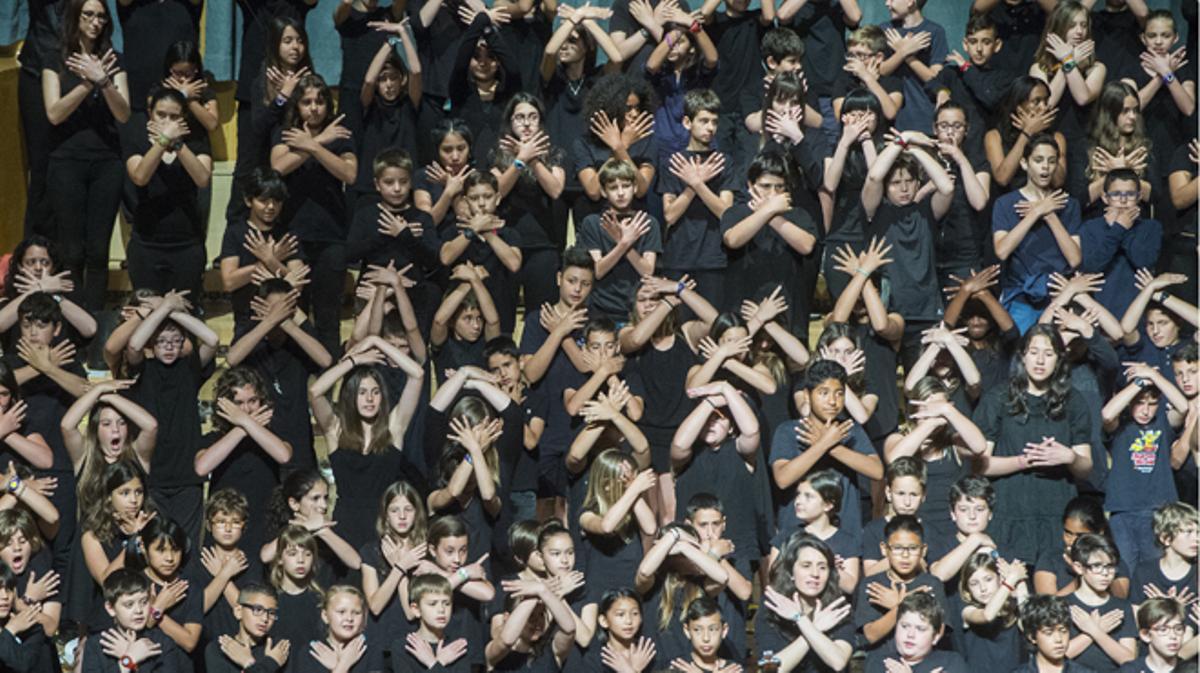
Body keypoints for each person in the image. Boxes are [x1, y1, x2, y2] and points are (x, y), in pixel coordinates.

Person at [41, 0, 131, 312]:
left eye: (101, 16)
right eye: (89, 15)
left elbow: (123, 114)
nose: (95, 21)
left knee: (97, 249)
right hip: (66, 161)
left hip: (107, 162)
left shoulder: (114, 60)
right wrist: (86, 83)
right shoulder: (55, 58)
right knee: (71, 250)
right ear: (76, 17)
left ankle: (94, 320)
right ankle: (71, 319)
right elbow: (54, 113)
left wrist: (104, 81)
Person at [270, 73, 358, 357]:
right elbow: (278, 168)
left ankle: (327, 384)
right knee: (295, 313)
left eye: (320, 101)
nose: (314, 107)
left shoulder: (340, 133)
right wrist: (316, 142)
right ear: (296, 105)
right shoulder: (285, 133)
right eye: (306, 101)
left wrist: (314, 145)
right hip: (293, 237)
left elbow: (349, 173)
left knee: (328, 316)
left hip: (331, 236)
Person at [309, 337, 425, 552]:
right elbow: (315, 392)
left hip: (383, 528)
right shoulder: (336, 430)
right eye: (362, 393)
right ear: (351, 396)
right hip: (345, 528)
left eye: (375, 392)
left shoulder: (393, 428)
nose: (369, 399)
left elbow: (417, 374)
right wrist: (354, 360)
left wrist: (376, 341)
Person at [124, 289, 218, 543]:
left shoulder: (189, 369)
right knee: (153, 543)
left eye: (175, 341)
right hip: (152, 475)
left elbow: (212, 339)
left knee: (185, 545)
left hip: (187, 475)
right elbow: (133, 345)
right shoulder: (143, 369)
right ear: (152, 343)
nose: (169, 347)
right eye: (162, 341)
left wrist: (173, 310)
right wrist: (163, 308)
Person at [122, 86, 213, 300]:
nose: (167, 121)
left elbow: (202, 179)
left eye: (174, 117)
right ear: (150, 113)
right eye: (161, 115)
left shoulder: (196, 142)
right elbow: (140, 176)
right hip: (146, 245)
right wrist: (162, 142)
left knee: (184, 312)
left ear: (184, 118)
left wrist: (178, 144)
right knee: (146, 312)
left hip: (187, 245)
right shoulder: (137, 141)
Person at [194, 367, 294, 553]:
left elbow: (284, 455)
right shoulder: (214, 438)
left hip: (264, 524)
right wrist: (243, 426)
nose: (246, 410)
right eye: (238, 403)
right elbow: (201, 467)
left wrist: (245, 422)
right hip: (227, 527)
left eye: (253, 401)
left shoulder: (272, 434)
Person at [1100, 360, 1187, 569]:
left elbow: (1183, 407)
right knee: (1125, 571)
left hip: (1158, 510)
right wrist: (1138, 382)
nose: (1145, 410)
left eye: (1152, 403)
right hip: (1123, 510)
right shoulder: (1120, 426)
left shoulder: (1163, 423)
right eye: (1139, 402)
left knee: (1154, 568)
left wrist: (1153, 375)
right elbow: (1107, 414)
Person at [991, 135, 1082, 333]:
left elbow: (1074, 259)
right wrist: (1035, 212)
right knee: (1022, 355)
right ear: (1025, 163)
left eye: (1051, 161)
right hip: (1020, 298)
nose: (1045, 167)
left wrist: (1050, 215)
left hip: (1058, 296)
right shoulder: (1005, 204)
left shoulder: (1069, 205)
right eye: (1038, 160)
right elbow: (1002, 251)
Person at [659, 89, 736, 310]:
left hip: (713, 258)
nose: (710, 127)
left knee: (711, 323)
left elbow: (725, 212)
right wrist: (693, 185)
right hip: (678, 256)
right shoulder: (673, 162)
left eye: (714, 122)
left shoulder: (724, 162)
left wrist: (697, 184)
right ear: (687, 122)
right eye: (703, 121)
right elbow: (670, 215)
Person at [576, 159, 661, 321]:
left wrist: (623, 242)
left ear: (635, 187)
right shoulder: (593, 222)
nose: (621, 193)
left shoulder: (648, 222)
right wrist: (623, 242)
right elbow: (598, 271)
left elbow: (647, 271)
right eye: (613, 188)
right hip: (602, 305)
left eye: (626, 186)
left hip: (639, 306)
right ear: (603, 191)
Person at [854, 515, 950, 649]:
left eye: (912, 548)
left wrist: (900, 604)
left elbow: (938, 632)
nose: (905, 555)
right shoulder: (872, 585)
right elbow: (870, 635)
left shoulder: (932, 584)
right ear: (884, 549)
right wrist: (900, 606)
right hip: (881, 659)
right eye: (898, 548)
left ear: (923, 550)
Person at [1079, 169, 1162, 317]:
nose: (1123, 200)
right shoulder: (1090, 227)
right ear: (1105, 197)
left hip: (1137, 310)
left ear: (1139, 197)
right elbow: (1091, 267)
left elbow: (1144, 262)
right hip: (1099, 309)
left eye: (1130, 194)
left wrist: (1120, 229)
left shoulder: (1151, 227)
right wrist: (1117, 230)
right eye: (1116, 194)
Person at [82, 568, 188, 673]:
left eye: (144, 602)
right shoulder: (96, 645)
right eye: (129, 604)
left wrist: (134, 662)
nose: (139, 610)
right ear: (111, 608)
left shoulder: (162, 643)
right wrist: (128, 659)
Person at [1065, 534, 1137, 671]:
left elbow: (1129, 660)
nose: (1106, 573)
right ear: (1079, 568)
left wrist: (1095, 631)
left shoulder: (1122, 607)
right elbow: (1058, 655)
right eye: (1097, 566)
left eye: (1110, 566)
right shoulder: (1063, 605)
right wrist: (1093, 632)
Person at [130, 516, 202, 654]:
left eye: (175, 550)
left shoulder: (189, 586)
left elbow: (190, 642)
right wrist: (158, 607)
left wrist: (157, 612)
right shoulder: (133, 583)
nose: (169, 558)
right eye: (161, 550)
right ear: (144, 548)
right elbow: (132, 633)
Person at [877, 0, 947, 133]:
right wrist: (903, 52)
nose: (887, 3)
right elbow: (879, 71)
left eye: (892, 0)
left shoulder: (934, 31)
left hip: (923, 115)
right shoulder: (885, 30)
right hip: (892, 118)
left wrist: (908, 56)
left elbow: (936, 78)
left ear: (910, 2)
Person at [955, 552, 1030, 671]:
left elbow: (1030, 630)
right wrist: (1011, 580)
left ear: (1000, 579)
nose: (983, 588)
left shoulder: (1012, 605)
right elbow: (987, 615)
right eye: (974, 584)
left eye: (988, 579)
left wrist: (1020, 583)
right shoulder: (966, 609)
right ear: (967, 589)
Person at [486, 574, 577, 670]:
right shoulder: (494, 653)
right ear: (507, 618)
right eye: (530, 616)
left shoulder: (552, 650)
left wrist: (542, 590)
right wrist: (534, 595)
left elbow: (569, 629)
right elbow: (506, 641)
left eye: (541, 614)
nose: (537, 621)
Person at [864, 591, 968, 673]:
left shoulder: (951, 662)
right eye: (905, 626)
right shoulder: (878, 663)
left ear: (935, 636)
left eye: (920, 629)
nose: (910, 634)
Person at [389, 574, 470, 673]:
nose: (441, 609)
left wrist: (432, 663)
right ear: (416, 609)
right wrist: (439, 663)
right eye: (432, 604)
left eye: (447, 603)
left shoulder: (457, 648)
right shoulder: (402, 648)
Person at [203, 583, 292, 673]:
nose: (265, 618)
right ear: (238, 611)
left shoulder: (279, 649)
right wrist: (269, 663)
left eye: (271, 612)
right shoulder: (220, 649)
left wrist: (249, 664)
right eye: (257, 610)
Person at [1128, 502, 1198, 607]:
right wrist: (1164, 609)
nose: (1197, 539)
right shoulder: (1144, 572)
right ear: (1166, 538)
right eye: (1188, 532)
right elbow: (1136, 615)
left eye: (1198, 532)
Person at [295, 585, 375, 673]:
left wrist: (339, 666)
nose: (349, 618)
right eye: (341, 612)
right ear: (325, 616)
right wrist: (343, 666)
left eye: (356, 612)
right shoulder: (310, 653)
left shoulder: (371, 651)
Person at [1120, 598, 1189, 673]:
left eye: (1178, 629)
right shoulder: (1130, 670)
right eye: (1163, 630)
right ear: (1145, 635)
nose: (1173, 636)